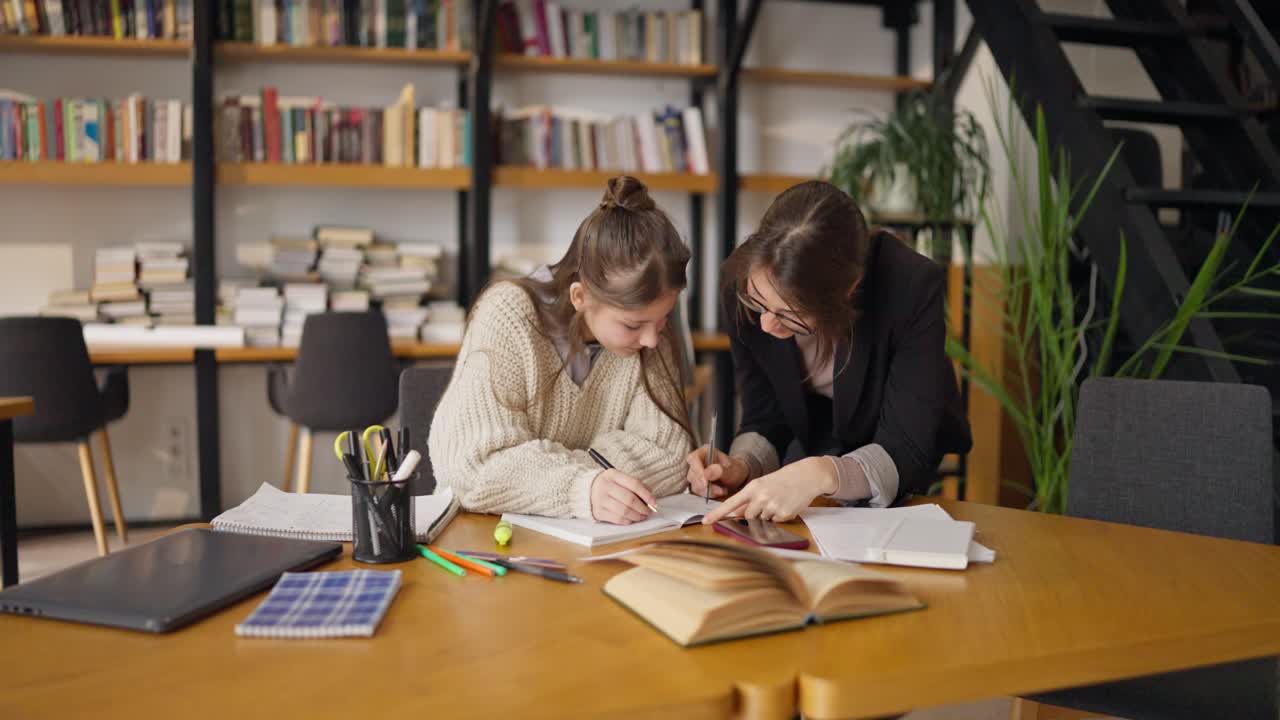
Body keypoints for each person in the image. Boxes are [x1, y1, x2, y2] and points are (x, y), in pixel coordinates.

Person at [694, 180, 972, 524]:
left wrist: (821, 473)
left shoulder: (909, 285)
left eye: (789, 315)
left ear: (848, 291)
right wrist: (741, 465)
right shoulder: (743, 284)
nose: (766, 324)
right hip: (811, 434)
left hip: (891, 445)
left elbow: (907, 447)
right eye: (760, 304)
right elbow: (765, 414)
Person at [429, 176, 695, 524]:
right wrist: (582, 488)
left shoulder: (649, 323)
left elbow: (670, 457)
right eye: (633, 325)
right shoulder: (508, 314)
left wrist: (539, 476)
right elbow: (472, 466)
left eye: (662, 321)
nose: (652, 341)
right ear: (580, 297)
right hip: (484, 535)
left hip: (594, 540)